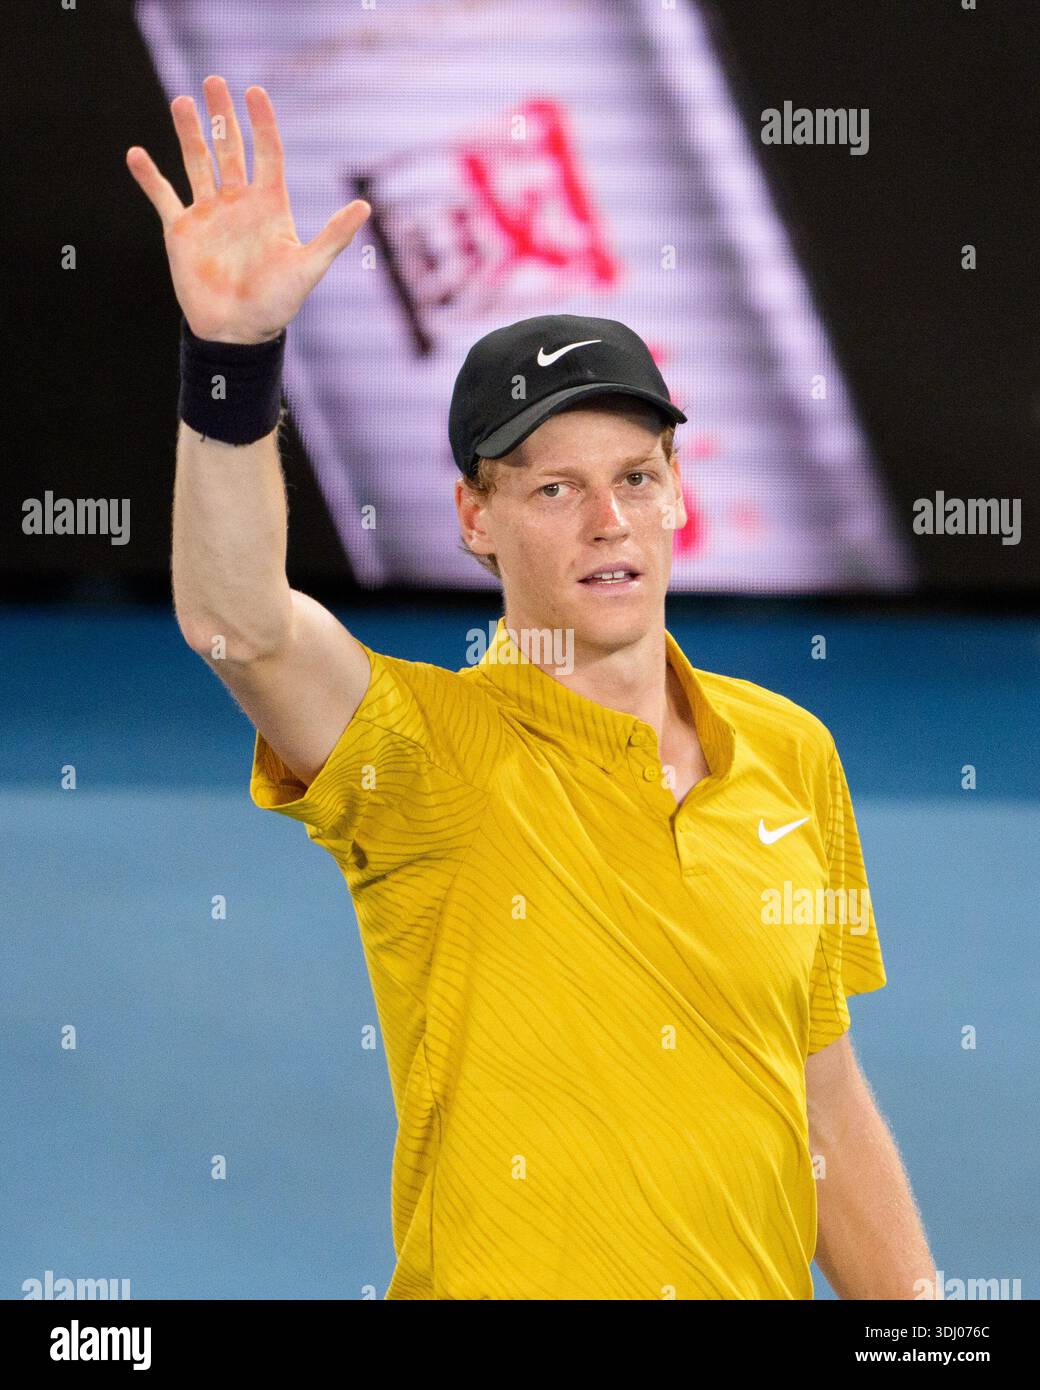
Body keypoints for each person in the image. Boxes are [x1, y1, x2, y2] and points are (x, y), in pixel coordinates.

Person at [127, 75, 937, 1300]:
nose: (608, 521)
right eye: (552, 488)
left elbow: (818, 1082)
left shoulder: (787, 750)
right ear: (474, 519)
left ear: (676, 490)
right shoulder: (421, 752)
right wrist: (230, 361)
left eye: (634, 476)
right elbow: (237, 624)